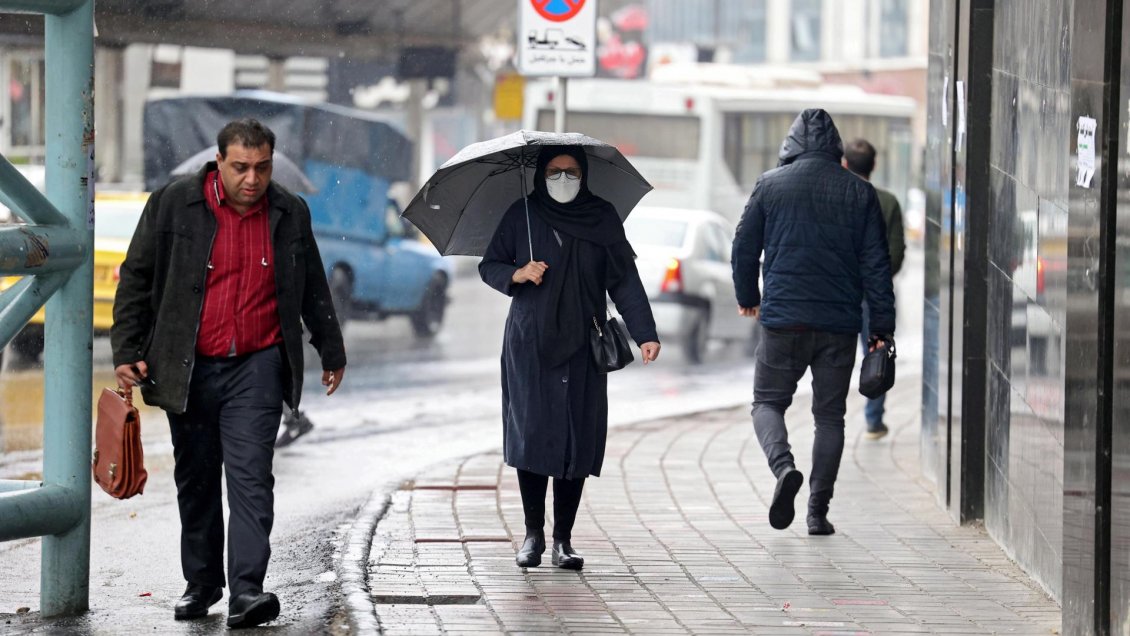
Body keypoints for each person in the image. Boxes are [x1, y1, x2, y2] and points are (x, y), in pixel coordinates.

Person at [111, 118, 346, 628]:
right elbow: (137, 275)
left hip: (257, 365)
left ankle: (247, 591)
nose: (252, 179)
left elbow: (311, 284)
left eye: (261, 167)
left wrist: (331, 348)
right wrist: (127, 348)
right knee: (195, 479)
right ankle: (202, 583)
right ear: (219, 162)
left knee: (250, 479)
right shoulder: (174, 203)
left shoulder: (289, 212)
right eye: (240, 167)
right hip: (188, 364)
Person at [479, 145, 660, 570]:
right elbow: (489, 265)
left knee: (577, 436)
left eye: (572, 171)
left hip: (584, 340)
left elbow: (625, 279)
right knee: (532, 434)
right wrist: (517, 273)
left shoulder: (601, 217)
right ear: (541, 174)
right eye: (555, 171)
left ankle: (563, 539)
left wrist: (645, 333)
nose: (563, 179)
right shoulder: (521, 214)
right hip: (530, 343)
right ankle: (532, 535)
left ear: (585, 175)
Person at [731, 109, 895, 536]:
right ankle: (817, 512)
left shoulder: (770, 185)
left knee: (767, 403)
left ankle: (784, 467)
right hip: (838, 323)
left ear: (791, 145)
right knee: (830, 418)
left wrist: (749, 297)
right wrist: (881, 328)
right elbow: (876, 266)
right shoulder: (859, 193)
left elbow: (743, 248)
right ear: (835, 148)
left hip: (783, 319)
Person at [842, 138, 906, 440]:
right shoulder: (889, 202)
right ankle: (873, 420)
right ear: (874, 165)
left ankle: (832, 414)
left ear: (844, 164)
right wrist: (875, 278)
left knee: (836, 354)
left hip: (840, 293)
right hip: (874, 294)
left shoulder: (837, 196)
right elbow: (895, 253)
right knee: (876, 354)